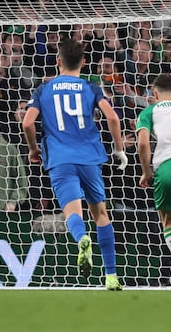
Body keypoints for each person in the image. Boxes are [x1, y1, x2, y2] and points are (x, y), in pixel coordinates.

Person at [22, 37, 127, 291]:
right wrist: (119, 149)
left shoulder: (43, 89)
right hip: (89, 157)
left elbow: (27, 123)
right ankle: (111, 276)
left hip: (60, 159)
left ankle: (82, 239)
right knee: (101, 214)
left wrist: (34, 149)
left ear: (58, 62)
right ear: (83, 62)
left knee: (72, 213)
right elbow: (112, 117)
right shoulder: (90, 87)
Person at [136, 74, 171, 275]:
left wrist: (147, 172)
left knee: (169, 222)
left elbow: (143, 143)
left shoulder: (149, 111)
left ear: (154, 93)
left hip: (169, 167)